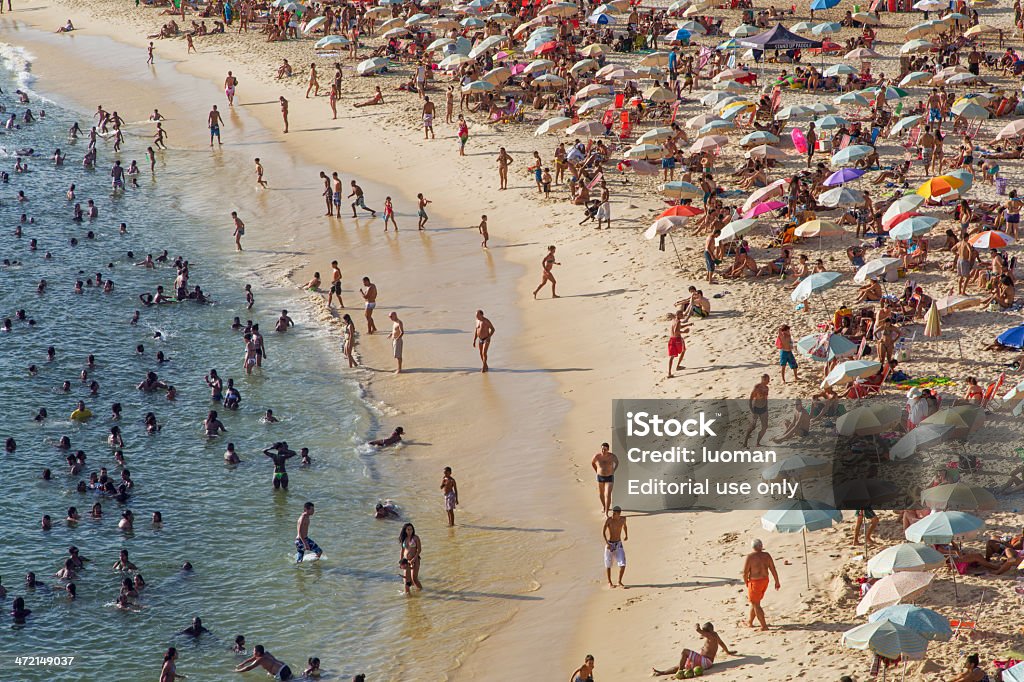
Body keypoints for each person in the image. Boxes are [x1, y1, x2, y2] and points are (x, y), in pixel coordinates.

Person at [652, 623, 732, 677]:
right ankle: (662, 672)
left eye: (704, 632)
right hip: (706, 662)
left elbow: (697, 629)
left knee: (685, 651)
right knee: (682, 664)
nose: (703, 633)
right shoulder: (715, 634)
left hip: (705, 661)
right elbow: (721, 643)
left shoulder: (709, 635)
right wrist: (728, 652)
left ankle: (680, 671)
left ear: (708, 631)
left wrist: (697, 625)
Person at [743, 538, 780, 631]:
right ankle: (750, 622)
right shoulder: (766, 555)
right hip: (765, 580)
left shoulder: (750, 557)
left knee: (756, 604)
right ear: (761, 546)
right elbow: (772, 568)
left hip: (755, 582)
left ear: (753, 547)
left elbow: (745, 572)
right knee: (755, 602)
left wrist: (746, 582)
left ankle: (764, 626)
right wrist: (777, 581)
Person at [602, 506, 628, 588]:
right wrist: (607, 543)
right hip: (610, 544)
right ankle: (609, 582)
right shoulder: (609, 520)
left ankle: (619, 581)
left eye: (614, 513)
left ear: (619, 514)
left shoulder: (623, 519)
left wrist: (626, 535)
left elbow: (625, 526)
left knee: (623, 564)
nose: (612, 514)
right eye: (612, 512)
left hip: (618, 544)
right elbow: (603, 531)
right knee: (608, 564)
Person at [743, 374, 770, 447]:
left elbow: (766, 399)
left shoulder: (767, 388)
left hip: (763, 409)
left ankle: (758, 442)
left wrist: (766, 408)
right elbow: (751, 398)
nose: (769, 381)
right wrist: (751, 409)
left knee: (765, 427)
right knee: (753, 426)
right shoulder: (757, 387)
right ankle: (745, 442)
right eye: (767, 380)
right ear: (763, 379)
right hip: (756, 408)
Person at [591, 443, 619, 515]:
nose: (603, 450)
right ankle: (604, 506)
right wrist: (597, 470)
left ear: (608, 449)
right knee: (601, 494)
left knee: (608, 494)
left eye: (605, 449)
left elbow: (617, 462)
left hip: (609, 476)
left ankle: (606, 513)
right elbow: (593, 463)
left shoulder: (612, 456)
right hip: (600, 477)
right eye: (602, 449)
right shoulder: (597, 456)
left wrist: (614, 470)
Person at [399, 523, 422, 592]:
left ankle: (421, 591)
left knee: (414, 578)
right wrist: (401, 562)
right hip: (406, 561)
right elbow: (402, 551)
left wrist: (414, 558)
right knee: (407, 579)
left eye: (411, 529)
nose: (410, 531)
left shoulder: (415, 538)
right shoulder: (404, 539)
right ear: (405, 530)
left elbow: (419, 550)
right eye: (408, 529)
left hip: (415, 560)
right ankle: (410, 595)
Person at [667, 310, 690, 378]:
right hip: (677, 340)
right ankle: (678, 366)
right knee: (683, 351)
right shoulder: (678, 321)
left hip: (671, 340)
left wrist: (688, 324)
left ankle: (669, 373)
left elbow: (677, 327)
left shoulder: (674, 320)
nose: (683, 315)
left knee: (672, 356)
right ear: (678, 315)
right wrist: (684, 332)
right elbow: (676, 331)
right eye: (681, 314)